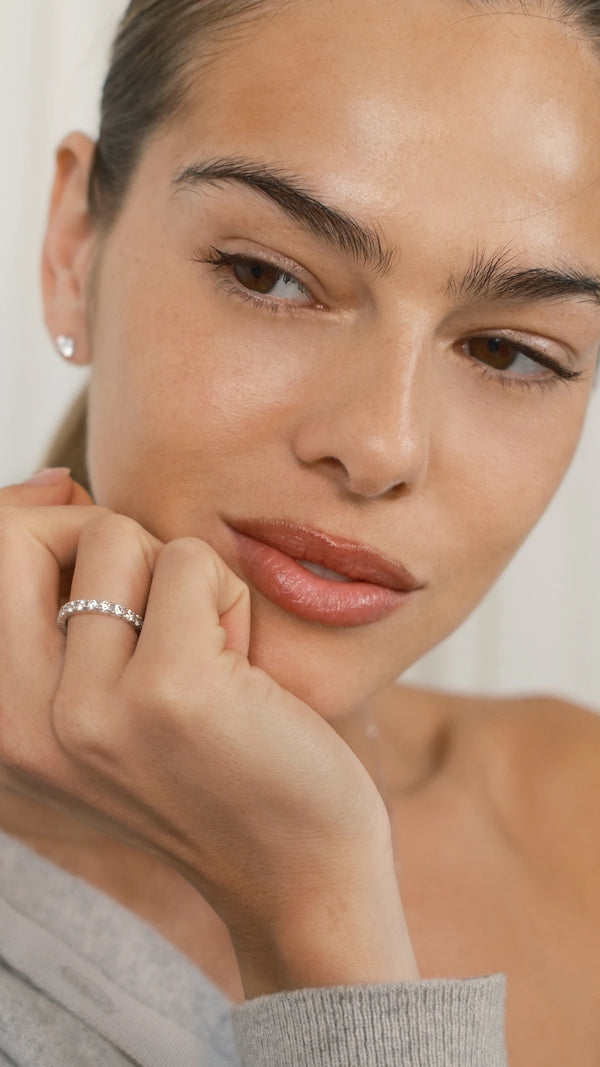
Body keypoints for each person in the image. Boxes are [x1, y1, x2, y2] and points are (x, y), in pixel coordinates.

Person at [1, 0, 600, 1062]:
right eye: (269, 275)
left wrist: (317, 903)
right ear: (73, 246)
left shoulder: (577, 807)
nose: (381, 444)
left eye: (510, 351)